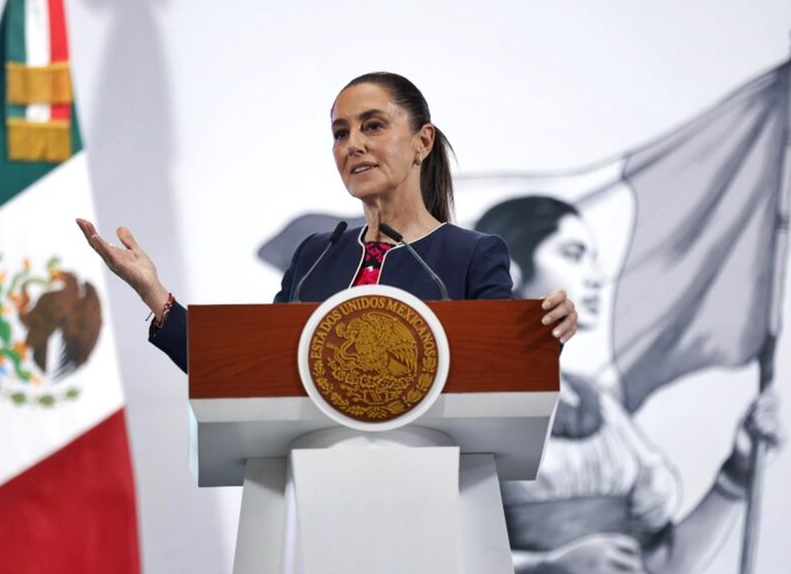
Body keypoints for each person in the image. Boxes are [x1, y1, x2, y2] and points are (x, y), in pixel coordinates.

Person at [75, 72, 579, 373]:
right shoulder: (316, 257)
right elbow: (249, 368)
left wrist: (543, 334)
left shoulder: (471, 255)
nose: (352, 144)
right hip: (319, 493)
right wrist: (155, 294)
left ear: (423, 142)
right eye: (341, 133)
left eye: (373, 126)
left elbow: (502, 373)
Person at [476, 195, 784, 574]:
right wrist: (542, 572)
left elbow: (667, 564)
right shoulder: (464, 398)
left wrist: (738, 471)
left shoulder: (599, 405)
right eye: (573, 254)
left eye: (592, 257)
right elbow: (429, 556)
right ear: (509, 270)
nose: (594, 276)